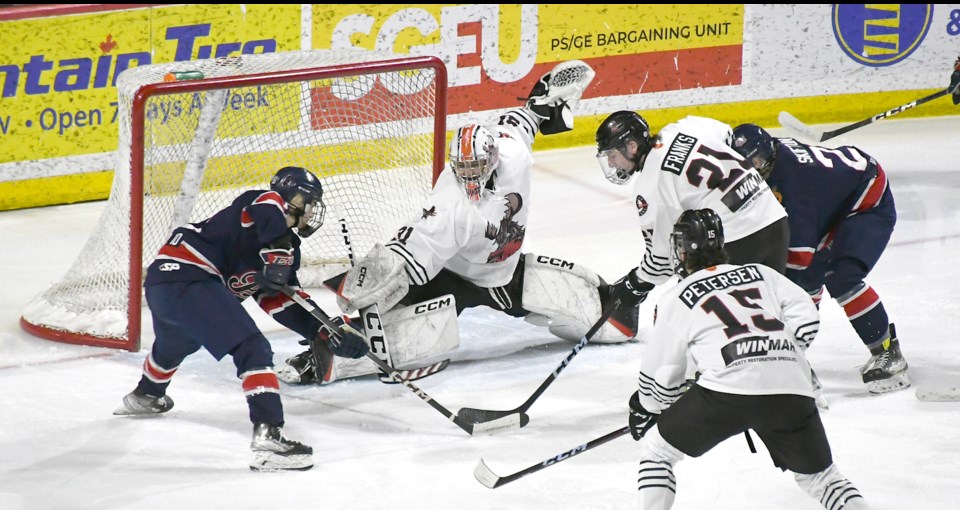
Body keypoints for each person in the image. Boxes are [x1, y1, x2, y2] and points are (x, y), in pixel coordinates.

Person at [599, 208, 920, 510]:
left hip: (726, 393)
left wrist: (648, 408)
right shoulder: (761, 273)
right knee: (821, 477)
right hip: (792, 388)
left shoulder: (677, 295)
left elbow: (661, 376)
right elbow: (806, 317)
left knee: (657, 451)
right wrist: (778, 353)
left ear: (681, 251)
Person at [281, 61, 640, 386]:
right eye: (462, 168)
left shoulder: (513, 151)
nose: (469, 176)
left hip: (505, 273)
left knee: (617, 323)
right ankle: (324, 355)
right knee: (398, 341)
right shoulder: (449, 203)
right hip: (453, 277)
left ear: (493, 159)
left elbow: (531, 115)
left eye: (476, 168)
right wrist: (370, 281)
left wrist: (555, 96)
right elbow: (409, 251)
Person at [113, 167, 369, 472]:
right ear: (292, 198)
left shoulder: (288, 249)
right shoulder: (259, 206)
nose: (312, 209)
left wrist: (322, 331)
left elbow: (279, 297)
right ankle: (268, 436)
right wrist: (277, 250)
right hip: (190, 273)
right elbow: (268, 206)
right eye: (307, 200)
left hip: (166, 286)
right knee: (253, 349)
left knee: (177, 344)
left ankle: (146, 395)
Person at [730, 123, 909, 394]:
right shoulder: (772, 155)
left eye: (757, 161)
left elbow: (798, 259)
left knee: (840, 276)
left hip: (866, 198)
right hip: (832, 203)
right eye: (748, 164)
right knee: (804, 282)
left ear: (768, 152)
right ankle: (788, 355)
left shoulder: (795, 183)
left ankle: (887, 349)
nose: (754, 169)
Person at [594, 111, 791, 316]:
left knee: (674, 314)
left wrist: (635, 284)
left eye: (612, 155)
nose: (610, 163)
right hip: (775, 218)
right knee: (768, 313)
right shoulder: (685, 126)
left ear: (631, 147)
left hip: (738, 241)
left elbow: (661, 260)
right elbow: (728, 135)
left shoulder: (650, 185)